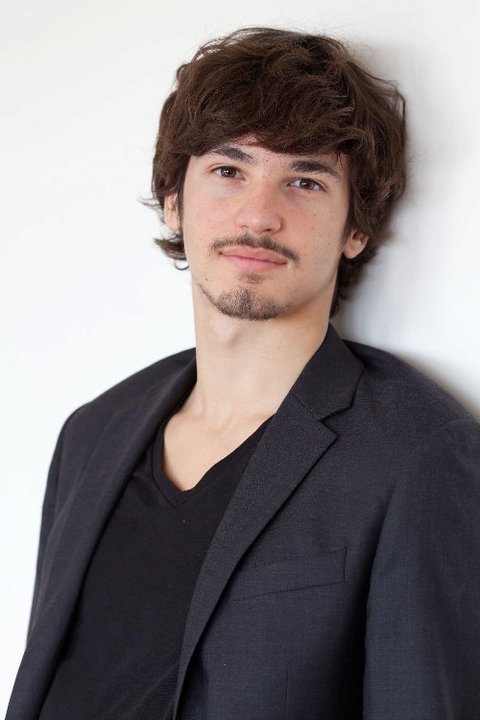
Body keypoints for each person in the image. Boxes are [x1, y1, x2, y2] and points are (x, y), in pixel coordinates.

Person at [7, 27, 480, 720]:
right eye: (229, 170)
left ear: (355, 230)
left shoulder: (416, 452)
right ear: (174, 199)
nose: (260, 216)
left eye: (304, 181)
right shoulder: (92, 433)